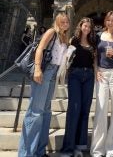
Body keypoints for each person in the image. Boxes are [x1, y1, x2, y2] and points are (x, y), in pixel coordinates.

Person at [18, 12, 70, 157]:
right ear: (57, 21)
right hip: (45, 71)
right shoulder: (51, 32)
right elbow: (40, 48)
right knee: (35, 112)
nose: (65, 24)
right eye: (63, 21)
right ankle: (27, 153)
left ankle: (40, 151)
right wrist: (38, 68)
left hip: (53, 75)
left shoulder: (63, 37)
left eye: (67, 22)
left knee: (46, 112)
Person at [60, 17, 96, 157]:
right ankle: (68, 148)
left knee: (85, 111)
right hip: (75, 75)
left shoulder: (93, 42)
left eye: (89, 26)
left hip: (89, 76)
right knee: (74, 110)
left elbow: (95, 60)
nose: (86, 28)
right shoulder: (73, 40)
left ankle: (79, 146)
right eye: (84, 26)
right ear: (80, 26)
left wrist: (97, 73)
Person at [90, 11, 113, 157]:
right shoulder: (98, 37)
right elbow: (95, 56)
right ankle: (97, 149)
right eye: (107, 20)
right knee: (101, 109)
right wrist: (96, 70)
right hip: (102, 73)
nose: (110, 22)